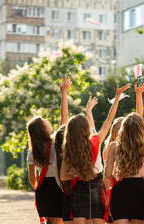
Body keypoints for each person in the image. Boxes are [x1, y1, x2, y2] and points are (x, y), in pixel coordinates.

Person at [60, 84, 130, 224]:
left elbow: (63, 176)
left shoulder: (69, 148)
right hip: (97, 188)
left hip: (79, 190)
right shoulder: (96, 141)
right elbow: (109, 119)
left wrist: (77, 174)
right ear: (86, 128)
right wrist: (117, 97)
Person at [104, 82, 144, 224]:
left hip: (119, 191)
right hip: (139, 191)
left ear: (123, 129)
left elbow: (107, 175)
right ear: (141, 129)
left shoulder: (113, 146)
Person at [27, 76, 72, 224]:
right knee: (59, 220)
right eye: (45, 122)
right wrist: (64, 93)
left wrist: (39, 189)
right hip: (58, 185)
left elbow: (32, 178)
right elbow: (64, 117)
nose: (48, 122)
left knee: (49, 221)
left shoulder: (32, 150)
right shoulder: (56, 143)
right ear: (42, 130)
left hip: (43, 189)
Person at [55, 94, 98, 224]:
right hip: (79, 193)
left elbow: (64, 119)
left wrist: (88, 111)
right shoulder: (76, 149)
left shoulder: (66, 149)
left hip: (70, 195)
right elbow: (93, 131)